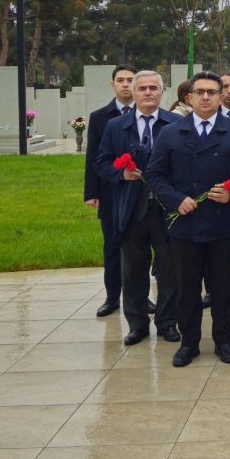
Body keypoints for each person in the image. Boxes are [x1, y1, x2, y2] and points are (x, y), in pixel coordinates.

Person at [146, 71, 230, 366]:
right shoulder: (170, 133)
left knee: (222, 287)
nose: (206, 97)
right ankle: (189, 342)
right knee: (187, 288)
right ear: (189, 97)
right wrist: (175, 200)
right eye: (200, 92)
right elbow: (154, 175)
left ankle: (223, 340)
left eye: (212, 92)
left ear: (222, 96)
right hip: (186, 225)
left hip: (224, 224)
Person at [94, 70, 180, 346]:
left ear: (162, 91)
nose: (148, 92)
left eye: (154, 88)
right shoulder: (116, 127)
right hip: (131, 209)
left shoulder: (176, 123)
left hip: (166, 210)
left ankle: (167, 322)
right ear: (133, 91)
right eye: (142, 88)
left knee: (169, 269)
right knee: (132, 270)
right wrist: (120, 174)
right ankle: (137, 324)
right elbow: (101, 163)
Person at [84, 64, 136, 317]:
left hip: (141, 192)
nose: (126, 84)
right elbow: (93, 157)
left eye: (130, 80)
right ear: (112, 84)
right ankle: (112, 296)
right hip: (111, 191)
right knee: (113, 246)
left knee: (139, 248)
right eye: (121, 80)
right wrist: (90, 192)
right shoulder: (99, 117)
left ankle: (140, 296)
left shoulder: (146, 113)